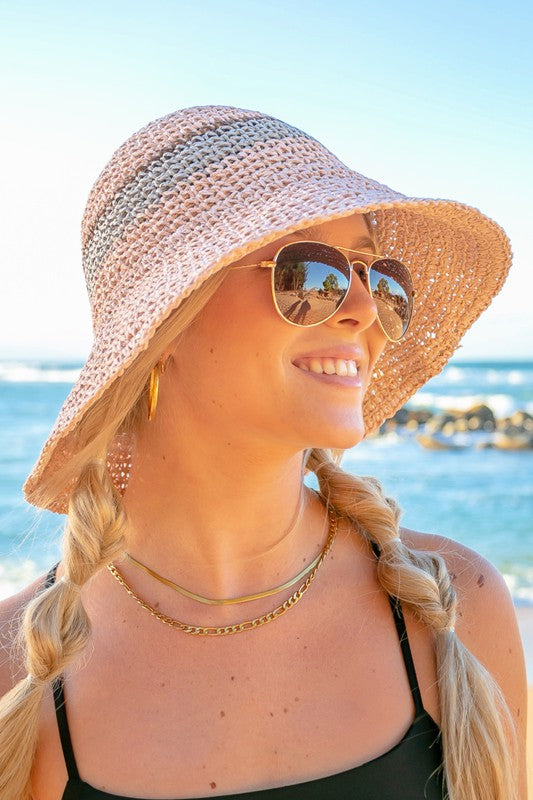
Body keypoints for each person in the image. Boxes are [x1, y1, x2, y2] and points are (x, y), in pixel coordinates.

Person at [0, 104, 526, 800]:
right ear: (165, 322)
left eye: (378, 276)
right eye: (310, 273)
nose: (365, 309)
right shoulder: (18, 681)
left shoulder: (457, 615)